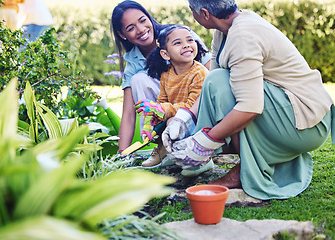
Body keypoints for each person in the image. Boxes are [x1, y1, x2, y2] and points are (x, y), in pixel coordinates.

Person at [162, 0, 335, 200]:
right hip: (288, 110)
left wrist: (202, 143)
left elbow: (249, 107)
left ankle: (245, 171)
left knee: (221, 83)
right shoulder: (224, 31)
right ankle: (256, 158)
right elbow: (212, 84)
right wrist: (184, 118)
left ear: (204, 13)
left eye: (191, 10)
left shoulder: (243, 36)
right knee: (217, 81)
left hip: (307, 123)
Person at [110, 0, 211, 157]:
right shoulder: (133, 62)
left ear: (149, 18)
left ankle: (190, 138)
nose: (141, 29)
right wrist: (122, 153)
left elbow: (211, 73)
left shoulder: (179, 35)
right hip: (166, 112)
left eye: (143, 21)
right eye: (131, 28)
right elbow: (129, 114)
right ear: (123, 35)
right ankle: (161, 143)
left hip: (196, 104)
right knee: (138, 79)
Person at [135, 25, 209, 171]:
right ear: (165, 54)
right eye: (178, 43)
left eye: (190, 40)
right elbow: (162, 101)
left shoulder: (199, 72)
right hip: (178, 117)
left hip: (199, 120)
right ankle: (167, 152)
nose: (187, 45)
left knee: (170, 120)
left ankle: (200, 160)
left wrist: (163, 110)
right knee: (159, 124)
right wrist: (153, 117)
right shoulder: (167, 74)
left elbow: (192, 106)